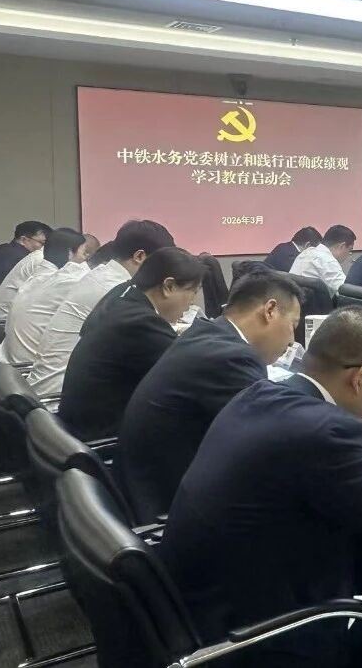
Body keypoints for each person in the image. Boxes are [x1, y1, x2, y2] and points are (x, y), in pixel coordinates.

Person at [160, 307, 362, 668]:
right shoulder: (328, 434)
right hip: (260, 636)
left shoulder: (258, 394)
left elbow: (304, 445)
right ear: (360, 377)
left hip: (203, 609)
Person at [116, 271, 303, 523]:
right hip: (165, 508)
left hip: (142, 486)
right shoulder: (232, 357)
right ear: (270, 310)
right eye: (293, 325)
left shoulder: (206, 332)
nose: (292, 341)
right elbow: (276, 438)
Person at [58, 248, 205, 441]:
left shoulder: (121, 295)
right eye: (193, 292)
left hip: (76, 426)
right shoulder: (142, 323)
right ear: (168, 286)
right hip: (103, 438)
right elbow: (189, 375)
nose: (192, 303)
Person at [28, 220, 174, 395]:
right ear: (139, 256)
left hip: (56, 386)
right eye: (161, 264)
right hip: (60, 393)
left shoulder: (101, 275)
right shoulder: (116, 289)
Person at [0, 228, 89, 365]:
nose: (85, 258)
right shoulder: (61, 281)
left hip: (14, 361)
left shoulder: (39, 277)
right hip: (29, 366)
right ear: (69, 253)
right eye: (84, 253)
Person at [0, 233, 100, 323]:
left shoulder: (45, 258)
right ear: (71, 251)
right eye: (83, 253)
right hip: (6, 319)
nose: (84, 260)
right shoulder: (43, 262)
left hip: (12, 317)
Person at [0, 220, 52, 312]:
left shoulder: (4, 249)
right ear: (23, 240)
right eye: (43, 243)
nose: (46, 248)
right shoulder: (23, 258)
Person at [289, 224, 356, 294]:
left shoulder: (305, 253)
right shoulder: (328, 261)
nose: (349, 254)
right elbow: (346, 292)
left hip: (294, 299)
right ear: (342, 246)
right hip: (311, 300)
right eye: (350, 250)